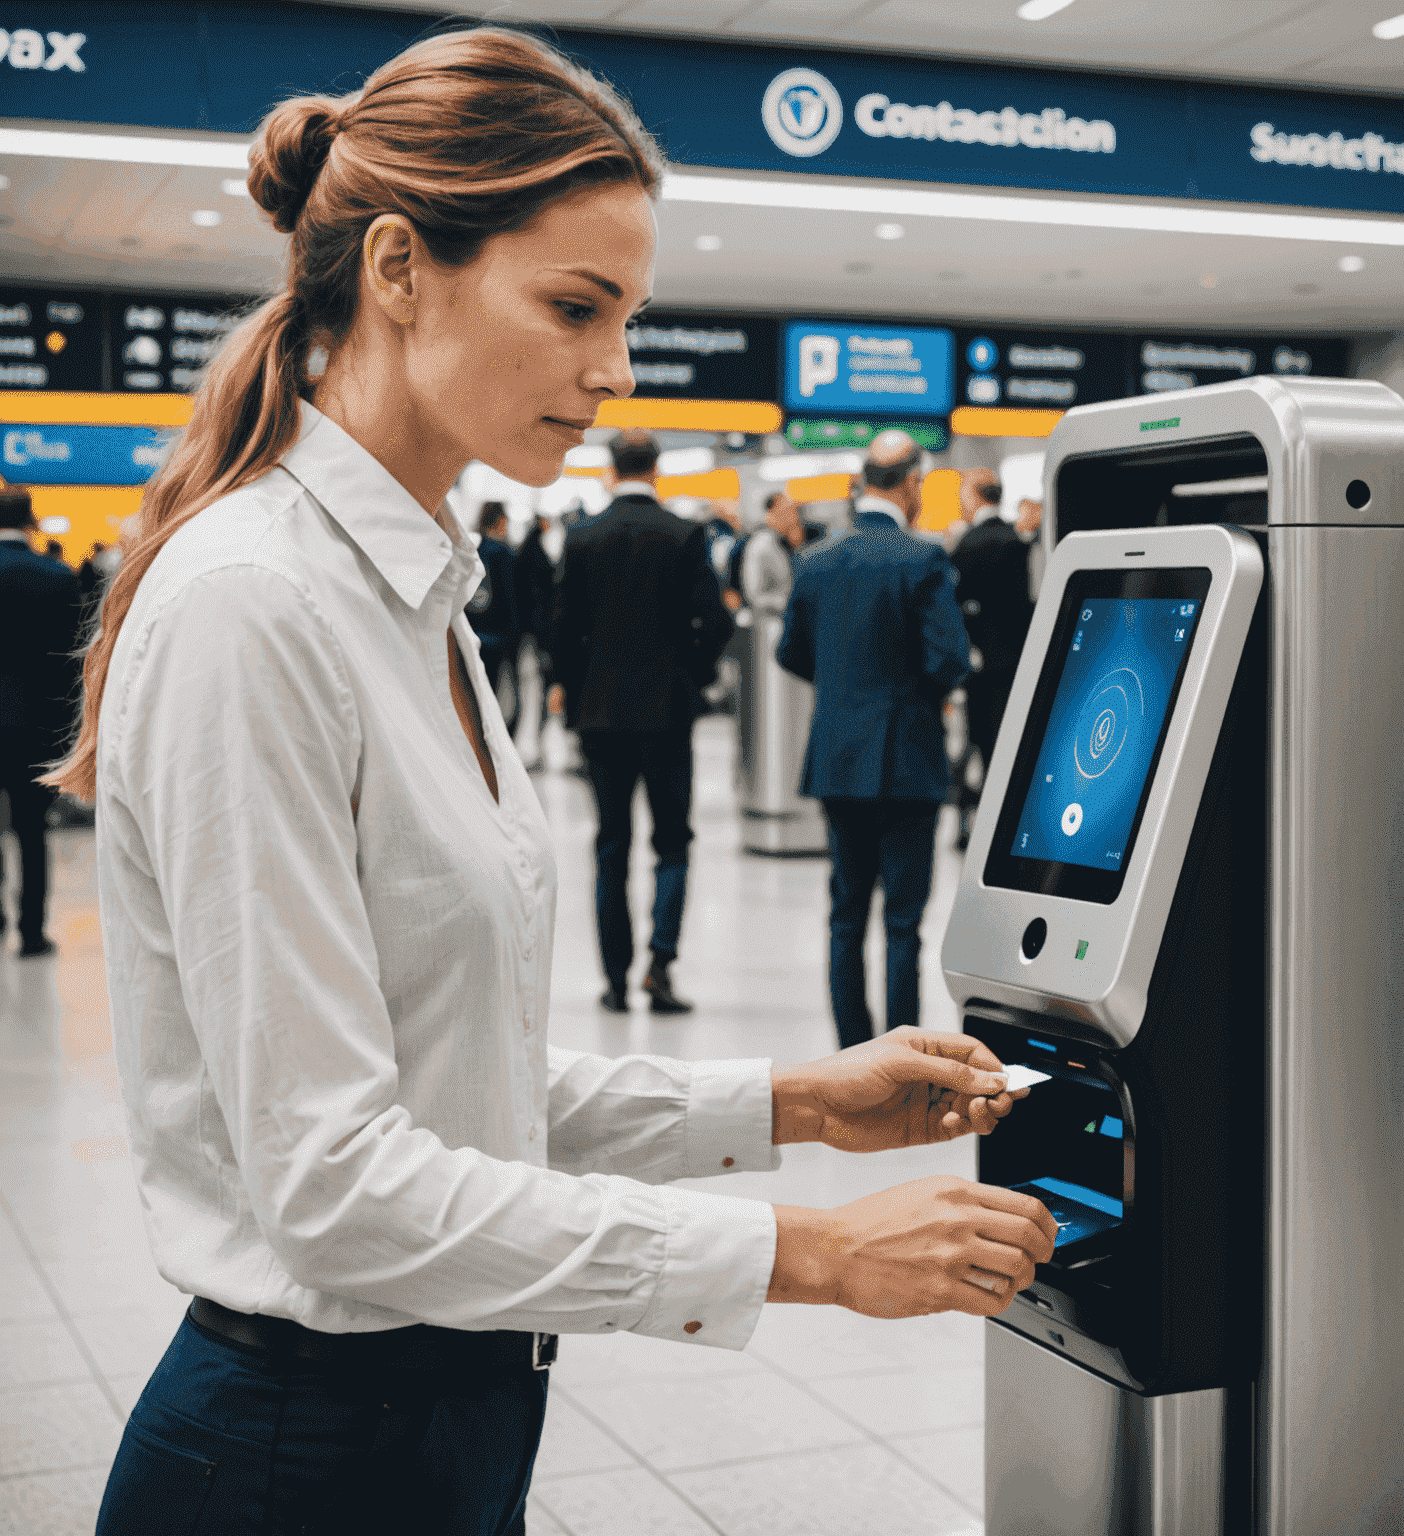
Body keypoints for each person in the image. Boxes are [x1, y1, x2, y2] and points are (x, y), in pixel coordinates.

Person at [59, 34, 1053, 1536]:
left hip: (446, 1426)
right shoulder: (256, 605)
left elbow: (445, 1089)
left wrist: (793, 1100)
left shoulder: (418, 601)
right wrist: (812, 1253)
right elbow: (334, 1181)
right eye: (575, 307)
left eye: (629, 315)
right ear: (400, 268)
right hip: (295, 1460)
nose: (615, 371)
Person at [778, 430, 972, 1049]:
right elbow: (950, 660)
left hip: (838, 758)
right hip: (909, 759)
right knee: (903, 921)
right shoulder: (924, 558)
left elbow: (792, 652)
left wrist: (844, 691)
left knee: (845, 913)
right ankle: (903, 1050)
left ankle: (853, 1050)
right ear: (912, 481)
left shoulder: (816, 560)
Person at [550, 430, 733, 1015]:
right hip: (668, 714)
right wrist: (693, 674)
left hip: (600, 716)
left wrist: (571, 691)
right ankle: (660, 964)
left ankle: (613, 979)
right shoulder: (684, 535)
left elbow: (562, 628)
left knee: (610, 845)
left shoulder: (582, 538)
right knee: (672, 842)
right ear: (656, 470)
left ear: (611, 468)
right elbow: (717, 620)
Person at [0, 486, 80, 958]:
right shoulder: (55, 576)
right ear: (31, 522)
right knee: (32, 829)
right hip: (34, 724)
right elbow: (68, 662)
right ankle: (33, 930)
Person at [950, 469, 1036, 850]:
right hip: (1017, 662)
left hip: (982, 667)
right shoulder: (1017, 543)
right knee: (1010, 743)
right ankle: (1008, 825)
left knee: (980, 742)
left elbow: (955, 610)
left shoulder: (968, 545)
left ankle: (977, 826)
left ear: (975, 496)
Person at [466, 499, 522, 736]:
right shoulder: (504, 553)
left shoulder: (470, 550)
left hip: (471, 635)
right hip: (499, 639)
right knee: (501, 698)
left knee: (473, 696)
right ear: (500, 521)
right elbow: (511, 599)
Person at [514, 510, 560, 767]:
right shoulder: (539, 558)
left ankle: (532, 747)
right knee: (538, 693)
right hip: (539, 636)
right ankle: (535, 747)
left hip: (528, 635)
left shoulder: (525, 554)